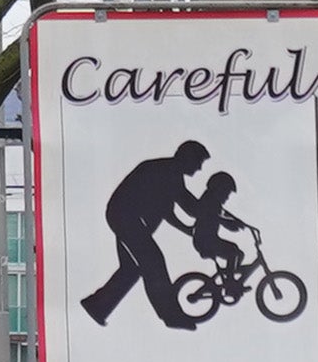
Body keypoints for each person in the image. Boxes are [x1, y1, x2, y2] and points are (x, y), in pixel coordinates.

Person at [76, 138, 223, 331]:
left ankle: (97, 305)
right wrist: (214, 203)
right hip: (126, 218)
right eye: (198, 163)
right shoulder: (168, 173)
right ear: (188, 158)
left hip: (127, 218)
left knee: (131, 268)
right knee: (153, 262)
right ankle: (171, 316)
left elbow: (169, 211)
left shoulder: (169, 172)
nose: (199, 169)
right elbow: (189, 208)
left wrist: (194, 225)